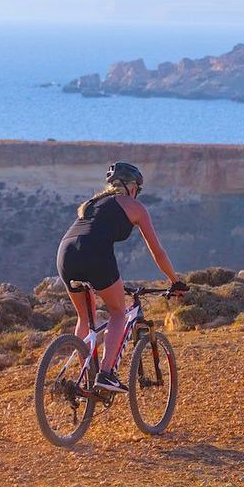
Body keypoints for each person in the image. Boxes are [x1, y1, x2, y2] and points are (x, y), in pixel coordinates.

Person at [56, 161, 184, 392]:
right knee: (117, 313)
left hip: (65, 252)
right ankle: (105, 374)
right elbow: (158, 252)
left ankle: (83, 376)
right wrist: (175, 281)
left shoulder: (91, 203)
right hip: (94, 252)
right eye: (137, 189)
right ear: (131, 187)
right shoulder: (133, 206)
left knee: (85, 317)